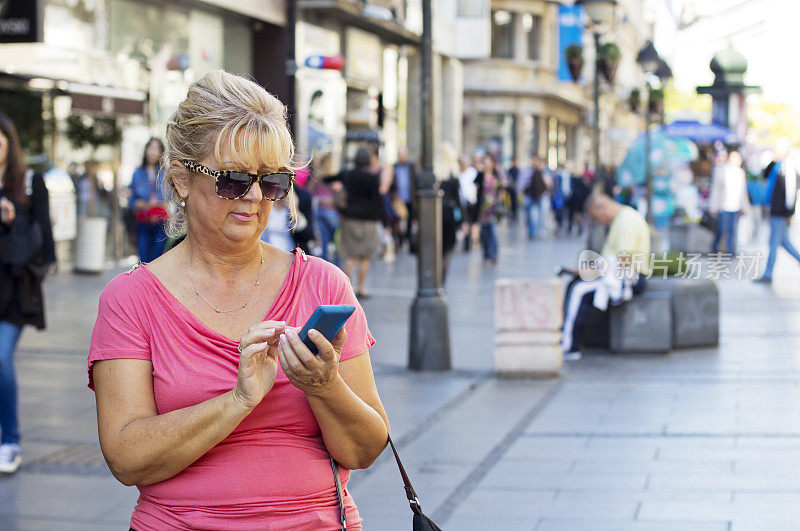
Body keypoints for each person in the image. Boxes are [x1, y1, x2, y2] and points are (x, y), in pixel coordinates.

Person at [88, 71, 389, 530]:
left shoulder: (323, 284)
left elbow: (364, 449)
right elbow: (127, 458)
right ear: (182, 179)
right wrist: (237, 400)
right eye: (231, 180)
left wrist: (324, 385)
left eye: (271, 182)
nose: (253, 197)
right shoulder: (130, 300)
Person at [0, 113, 56, 473]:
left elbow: (46, 245)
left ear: (9, 142)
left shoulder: (30, 182)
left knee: (0, 358)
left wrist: (12, 219)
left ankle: (11, 440)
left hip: (15, 291)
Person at [561, 194, 650, 360]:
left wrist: (594, 272)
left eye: (597, 217)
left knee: (579, 290)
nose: (599, 222)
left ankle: (569, 346)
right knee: (575, 283)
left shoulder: (627, 221)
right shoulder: (620, 219)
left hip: (629, 278)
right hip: (617, 274)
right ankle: (566, 336)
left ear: (603, 208)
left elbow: (623, 262)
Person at [326, 146, 390, 298]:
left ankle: (343, 289)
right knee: (365, 257)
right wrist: (385, 222)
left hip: (350, 219)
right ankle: (361, 288)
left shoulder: (348, 174)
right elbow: (378, 202)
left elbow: (330, 179)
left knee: (350, 256)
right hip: (369, 221)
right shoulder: (372, 178)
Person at [755, 146, 800, 283]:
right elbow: (765, 174)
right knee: (784, 242)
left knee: (773, 243)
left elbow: (791, 192)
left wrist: (788, 212)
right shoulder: (778, 166)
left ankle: (768, 274)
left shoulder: (788, 167)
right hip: (776, 210)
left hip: (780, 213)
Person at [129, 138, 169, 262]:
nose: (152, 152)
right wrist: (146, 204)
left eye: (156, 149)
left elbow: (169, 198)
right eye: (150, 148)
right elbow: (132, 202)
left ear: (161, 152)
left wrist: (149, 204)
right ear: (146, 150)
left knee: (157, 260)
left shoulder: (165, 173)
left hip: (161, 223)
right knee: (144, 260)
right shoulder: (138, 173)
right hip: (143, 221)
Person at [709, 150, 749, 254]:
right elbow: (716, 189)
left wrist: (744, 206)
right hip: (724, 205)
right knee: (722, 228)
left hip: (735, 206)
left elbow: (743, 191)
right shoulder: (721, 170)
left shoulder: (740, 173)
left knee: (733, 230)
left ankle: (731, 250)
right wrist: (713, 205)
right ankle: (714, 246)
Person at [475, 154, 503, 266]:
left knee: (491, 231)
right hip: (482, 209)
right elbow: (476, 186)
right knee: (484, 232)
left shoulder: (496, 175)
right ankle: (487, 254)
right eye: (484, 162)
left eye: (488, 162)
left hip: (493, 208)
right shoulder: (481, 175)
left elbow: (503, 188)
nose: (486, 165)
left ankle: (492, 254)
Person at [391, 147, 417, 249]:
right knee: (398, 221)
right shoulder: (394, 167)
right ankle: (400, 241)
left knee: (410, 220)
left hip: (409, 198)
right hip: (398, 199)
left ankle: (409, 240)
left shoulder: (411, 166)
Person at [521, 155, 547, 240]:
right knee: (532, 216)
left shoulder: (544, 173)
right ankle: (532, 232)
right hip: (531, 197)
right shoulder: (530, 172)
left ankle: (537, 231)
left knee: (539, 216)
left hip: (540, 197)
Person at [457, 155, 478, 251]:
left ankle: (469, 241)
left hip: (472, 201)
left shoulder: (472, 172)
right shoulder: (458, 174)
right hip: (462, 203)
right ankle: (466, 241)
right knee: (465, 222)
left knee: (470, 222)